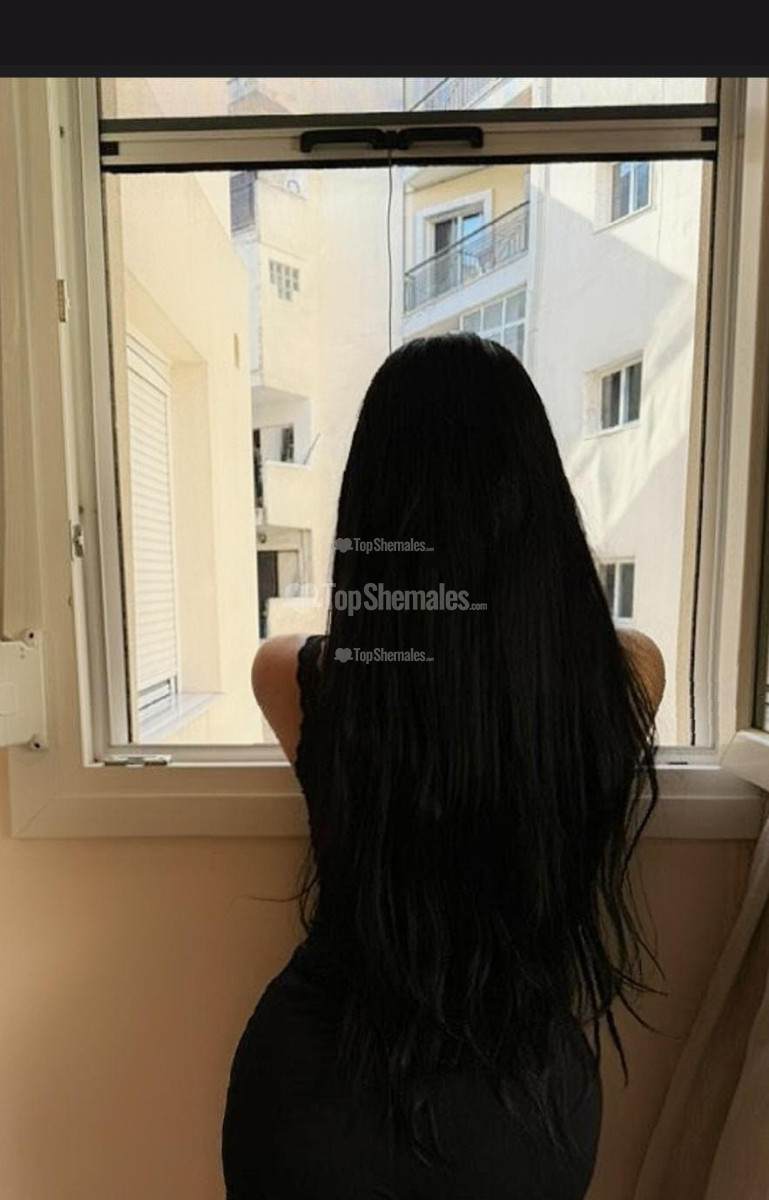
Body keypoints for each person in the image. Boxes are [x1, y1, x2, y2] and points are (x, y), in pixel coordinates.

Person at [221, 333, 665, 1199]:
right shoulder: (626, 673)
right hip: (522, 1112)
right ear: (538, 498)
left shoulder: (294, 676)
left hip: (312, 1102)